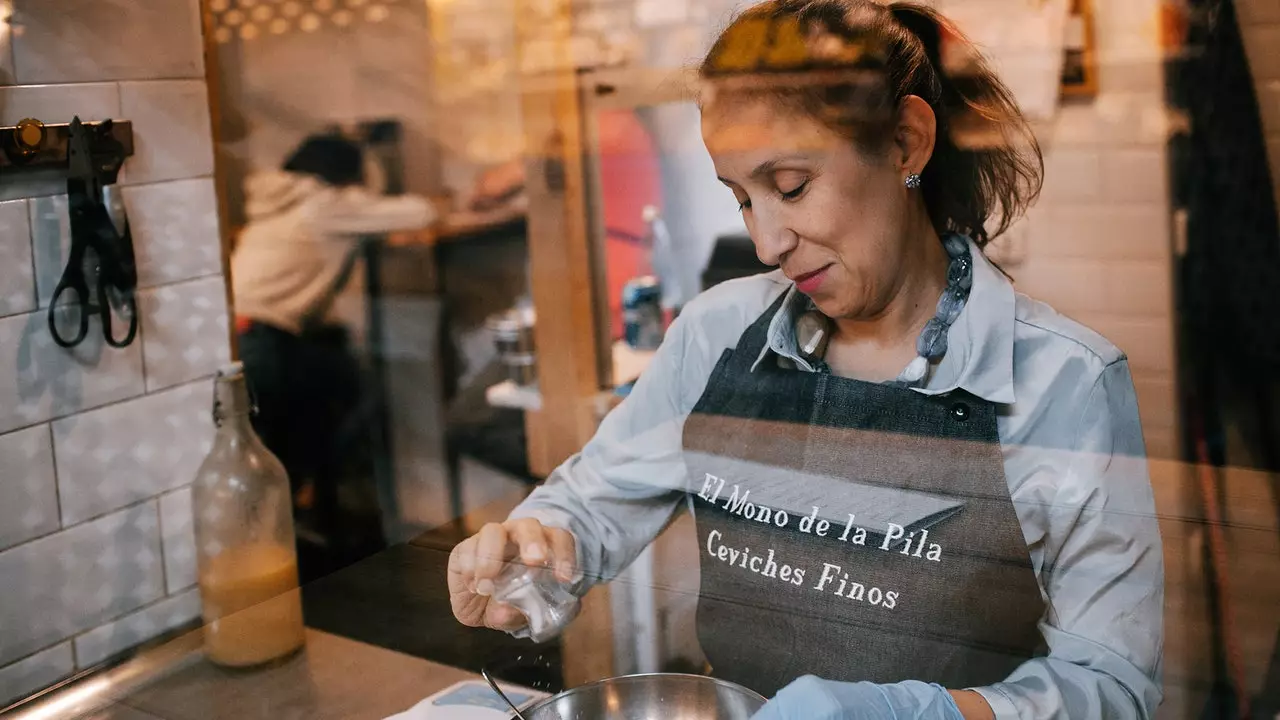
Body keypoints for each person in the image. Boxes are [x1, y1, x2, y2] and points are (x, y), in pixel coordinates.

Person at [448, 2, 1164, 718]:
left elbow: (1110, 687)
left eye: (790, 187)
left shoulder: (1063, 382)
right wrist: (530, 554)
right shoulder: (717, 333)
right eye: (743, 201)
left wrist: (916, 715)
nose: (767, 243)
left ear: (907, 143)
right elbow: (589, 506)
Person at [231, 133, 435, 577]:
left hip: (242, 338)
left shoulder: (277, 204)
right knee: (361, 393)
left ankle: (299, 521)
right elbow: (420, 212)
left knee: (280, 440)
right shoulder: (324, 204)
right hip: (266, 340)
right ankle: (311, 504)